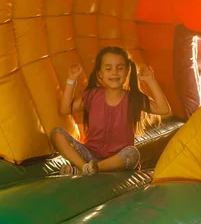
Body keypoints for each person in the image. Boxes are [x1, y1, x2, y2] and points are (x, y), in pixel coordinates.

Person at [51, 46, 171, 176]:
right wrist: (72, 79)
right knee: (57, 133)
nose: (114, 73)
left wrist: (150, 80)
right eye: (108, 69)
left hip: (118, 161)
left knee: (132, 152)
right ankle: (84, 168)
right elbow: (65, 109)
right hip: (90, 157)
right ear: (100, 74)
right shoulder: (92, 95)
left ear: (127, 72)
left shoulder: (133, 98)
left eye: (120, 68)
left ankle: (91, 169)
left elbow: (163, 109)